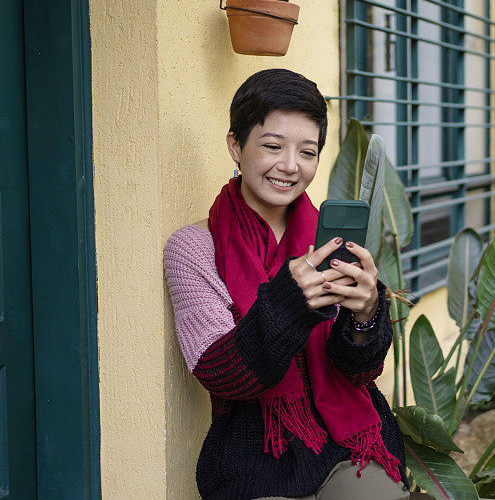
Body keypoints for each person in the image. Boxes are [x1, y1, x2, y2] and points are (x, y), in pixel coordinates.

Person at [164, 69, 410, 499]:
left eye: (307, 152)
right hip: (253, 458)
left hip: (348, 445)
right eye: (273, 146)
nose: (290, 166)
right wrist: (290, 302)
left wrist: (367, 314)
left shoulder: (330, 241)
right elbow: (220, 375)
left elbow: (361, 371)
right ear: (235, 146)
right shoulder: (193, 249)